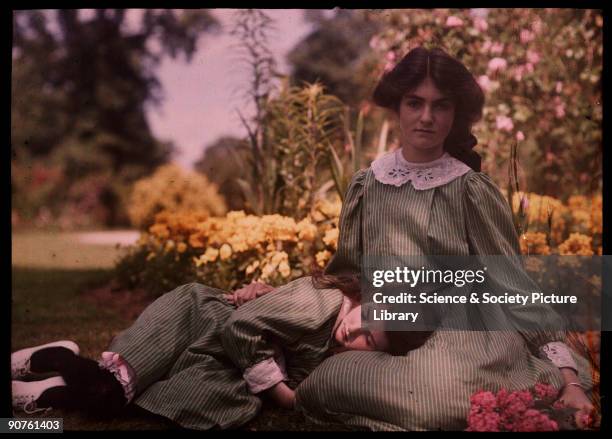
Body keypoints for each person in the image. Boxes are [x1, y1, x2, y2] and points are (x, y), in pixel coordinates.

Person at [293, 47, 596, 431]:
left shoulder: (470, 189)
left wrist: (568, 377)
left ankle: (393, 389)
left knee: (439, 399)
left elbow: (512, 285)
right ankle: (349, 379)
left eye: (441, 106)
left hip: (462, 331)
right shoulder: (366, 183)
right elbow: (347, 272)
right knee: (328, 377)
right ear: (397, 107)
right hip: (387, 326)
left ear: (455, 115)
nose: (426, 117)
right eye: (414, 103)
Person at [11, 272, 425, 430]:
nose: (354, 330)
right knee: (110, 393)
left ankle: (50, 376)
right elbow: (243, 326)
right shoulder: (326, 303)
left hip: (218, 358)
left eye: (368, 340)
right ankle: (51, 363)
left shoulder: (340, 352)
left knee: (140, 406)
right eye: (365, 317)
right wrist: (282, 394)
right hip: (198, 319)